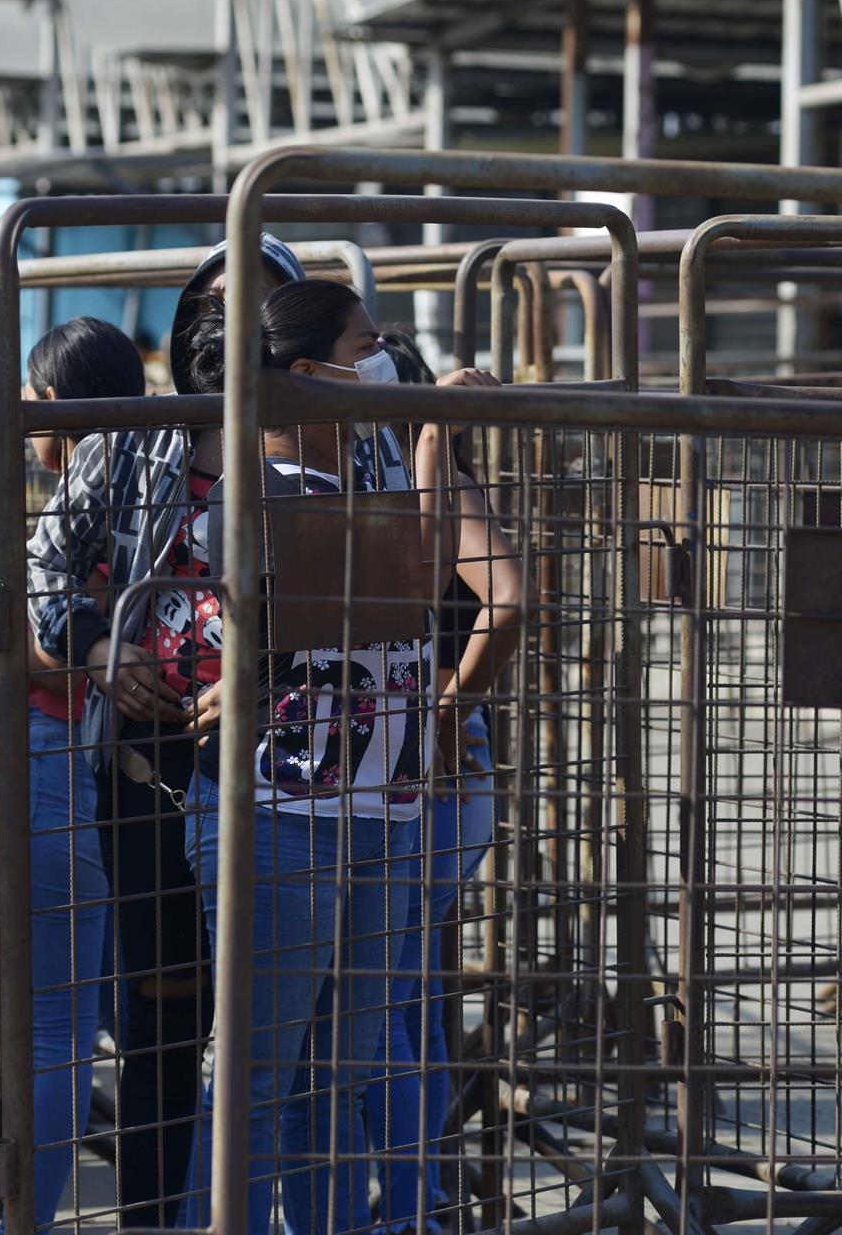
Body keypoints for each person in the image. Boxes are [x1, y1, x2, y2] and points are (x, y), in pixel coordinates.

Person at [172, 280, 476, 1235]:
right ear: (309, 376)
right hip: (286, 818)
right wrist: (431, 446)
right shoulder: (257, 497)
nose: (382, 358)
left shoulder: (353, 485)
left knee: (337, 1079)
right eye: (365, 344)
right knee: (262, 1078)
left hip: (379, 813)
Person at [26, 234, 305, 1226]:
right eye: (210, 305)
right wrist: (100, 649)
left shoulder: (319, 434)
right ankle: (153, 1216)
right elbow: (47, 565)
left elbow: (365, 592)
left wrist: (267, 675)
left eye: (257, 306)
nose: (224, 328)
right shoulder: (130, 437)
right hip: (145, 765)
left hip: (285, 767)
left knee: (280, 1026)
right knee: (160, 1017)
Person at [345, 326, 523, 1231]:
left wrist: (446, 708)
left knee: (388, 1004)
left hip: (435, 762)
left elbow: (510, 599)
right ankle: (422, 1197)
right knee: (405, 991)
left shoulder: (426, 480)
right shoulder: (412, 479)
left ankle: (417, 1203)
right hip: (432, 759)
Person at [0, 317, 147, 1229]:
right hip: (123, 771)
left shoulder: (82, 498)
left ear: (55, 404)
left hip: (60, 757)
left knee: (54, 1027)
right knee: (129, 1015)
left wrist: (6, 587)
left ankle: (27, 1221)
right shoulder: (162, 478)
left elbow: (49, 658)